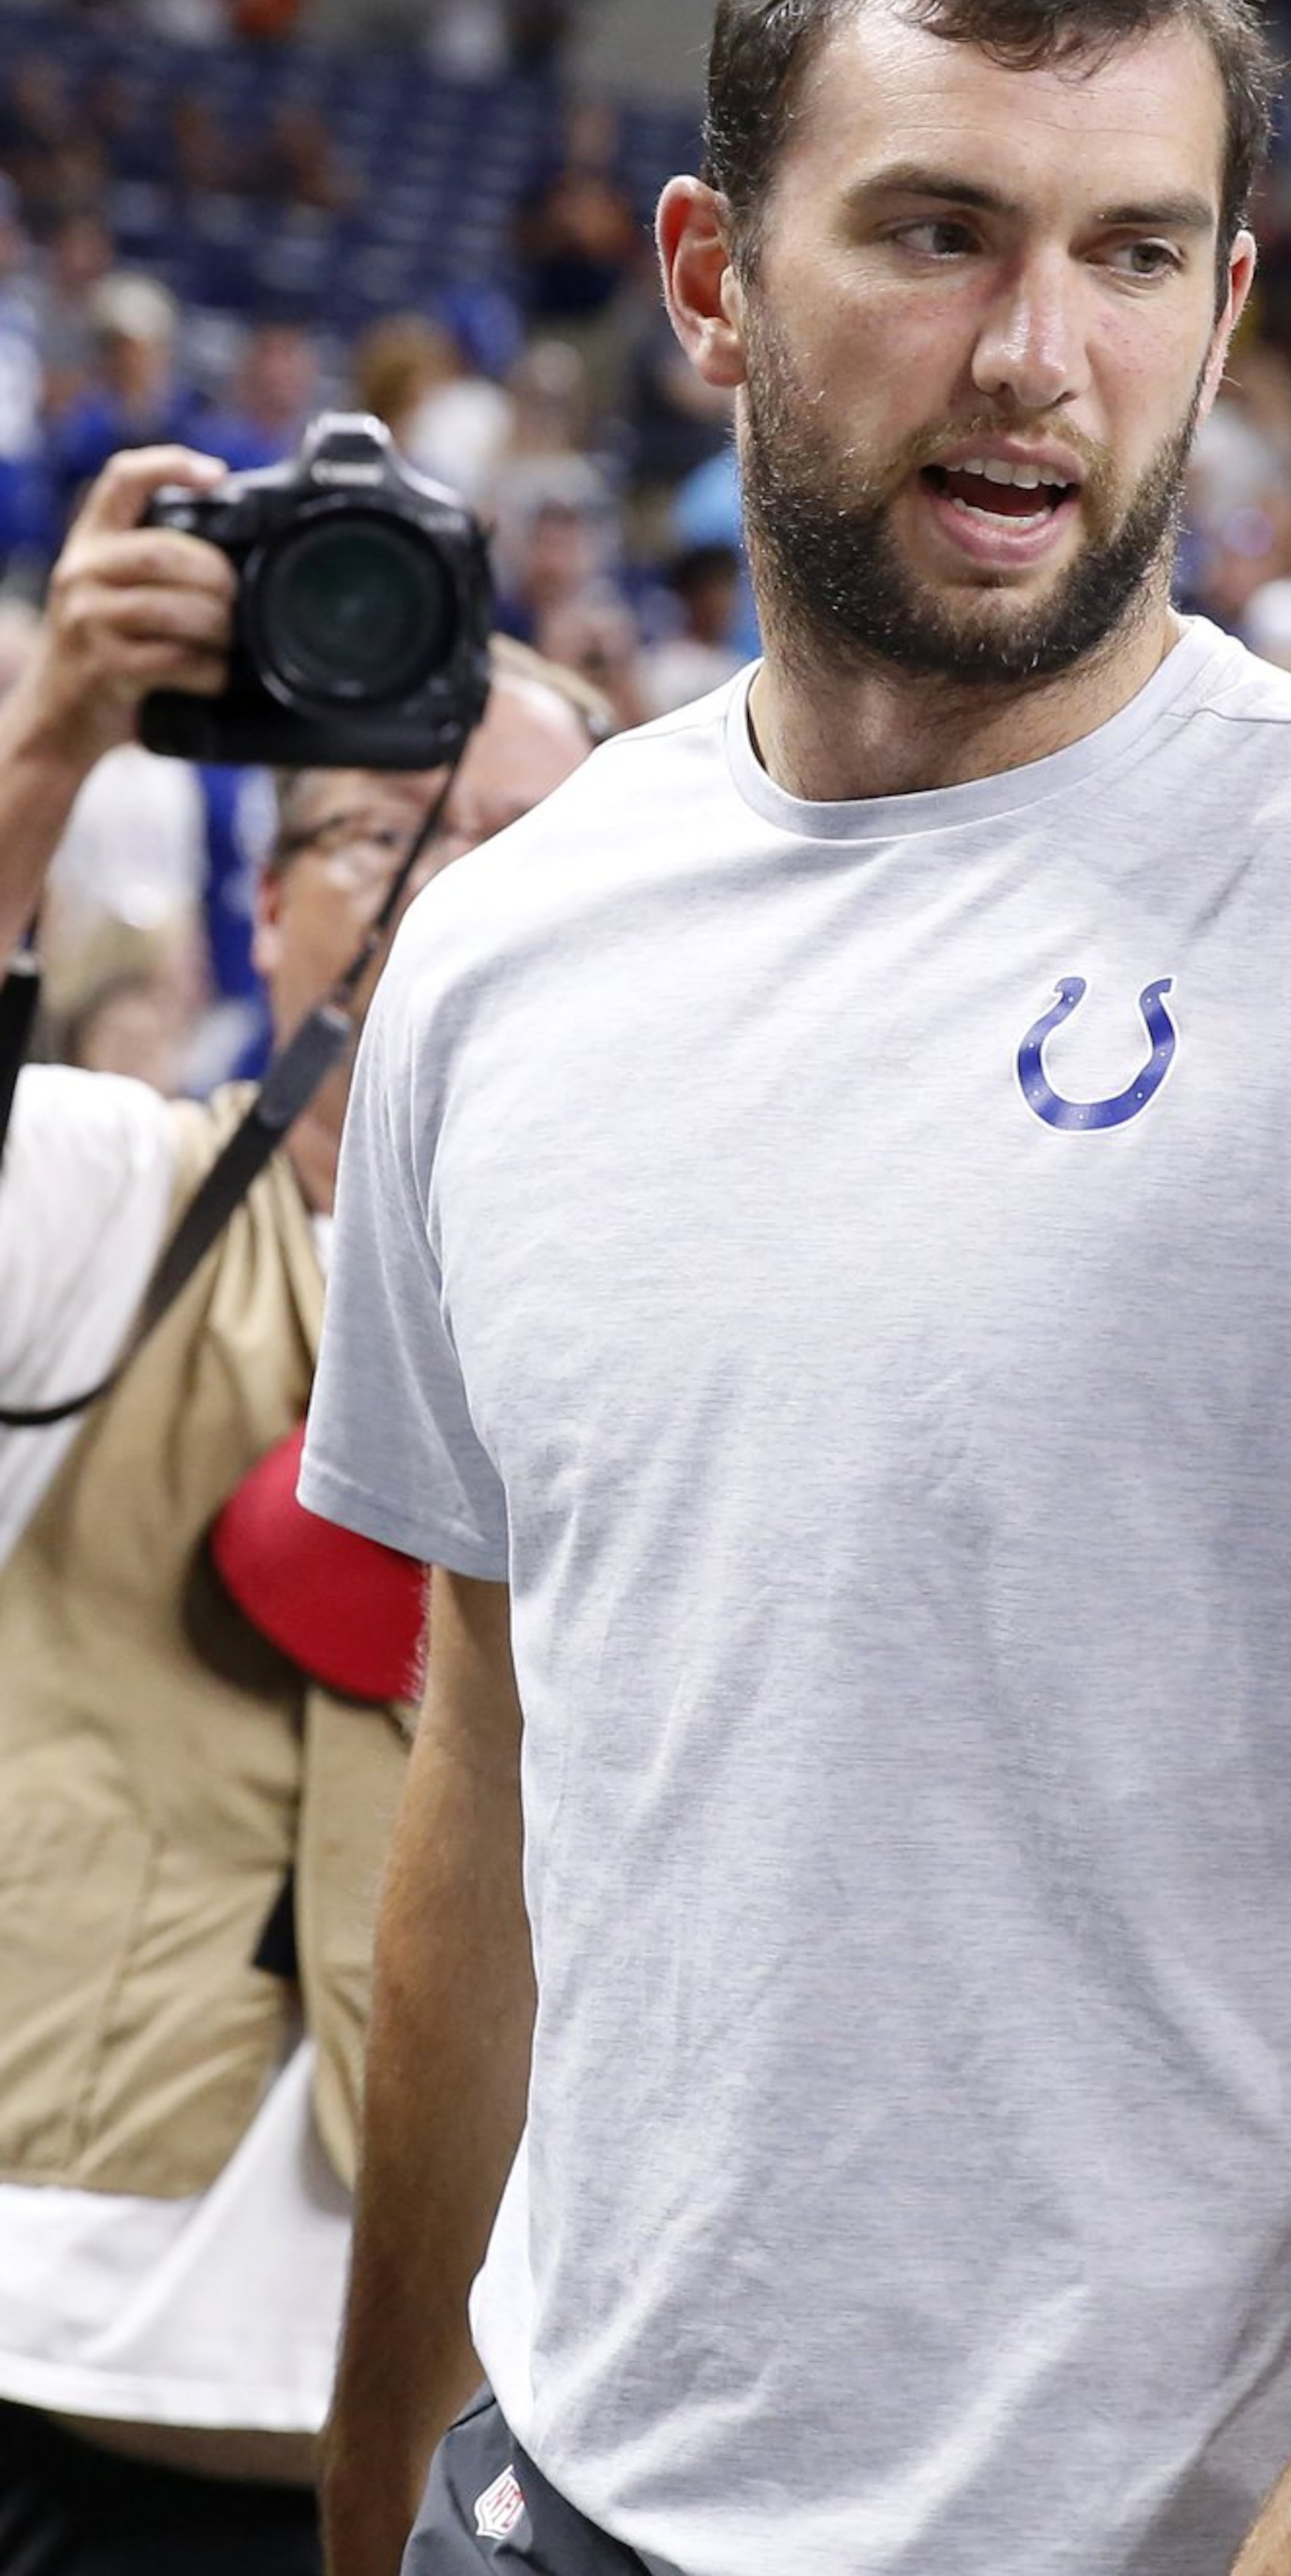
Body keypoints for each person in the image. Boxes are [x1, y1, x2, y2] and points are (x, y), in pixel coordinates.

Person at [302, 0, 1291, 2576]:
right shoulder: (500, 961)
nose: (1039, 354)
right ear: (709, 279)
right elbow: (490, 1790)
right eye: (936, 232)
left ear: (1231, 309)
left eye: (1139, 253)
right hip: (556, 2511)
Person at [0, 445, 593, 2573]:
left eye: (531, 846)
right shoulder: (111, 1196)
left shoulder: (689, 1320)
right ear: (268, 907)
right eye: (385, 828)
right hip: (58, 2357)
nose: (454, 891)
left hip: (520, 2415)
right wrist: (53, 736)